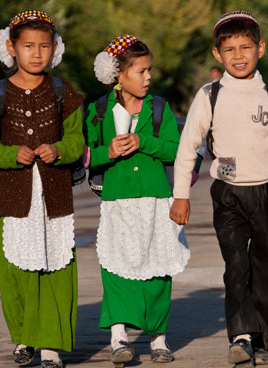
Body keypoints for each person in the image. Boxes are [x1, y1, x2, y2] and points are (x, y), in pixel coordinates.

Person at [170, 11, 268, 367]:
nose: (238, 55)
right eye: (229, 49)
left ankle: (262, 340)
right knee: (236, 264)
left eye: (245, 47)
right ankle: (240, 336)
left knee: (264, 267)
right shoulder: (209, 95)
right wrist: (181, 194)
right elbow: (188, 146)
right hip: (227, 193)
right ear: (217, 55)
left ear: (261, 49)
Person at [0, 10, 84, 368]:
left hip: (54, 194)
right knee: (16, 271)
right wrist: (9, 154)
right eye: (28, 46)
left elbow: (76, 140)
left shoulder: (62, 91)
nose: (36, 53)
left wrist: (59, 150)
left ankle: (50, 344)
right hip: (12, 195)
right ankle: (24, 337)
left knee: (57, 267)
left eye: (44, 46)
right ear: (11, 47)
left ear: (55, 49)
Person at [84, 34, 190, 367]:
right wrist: (108, 151)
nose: (148, 77)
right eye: (140, 71)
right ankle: (118, 338)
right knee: (117, 269)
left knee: (158, 271)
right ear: (119, 74)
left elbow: (177, 149)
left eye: (149, 70)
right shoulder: (97, 111)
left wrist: (144, 140)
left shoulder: (160, 109)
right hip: (117, 202)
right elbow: (84, 155)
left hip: (158, 201)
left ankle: (158, 339)